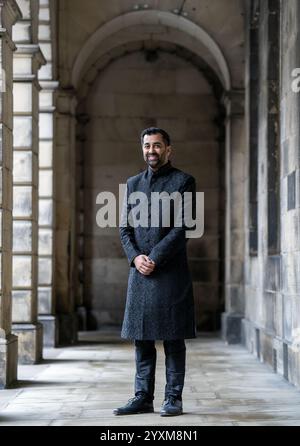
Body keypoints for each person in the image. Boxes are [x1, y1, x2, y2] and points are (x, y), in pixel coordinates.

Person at [114, 127, 196, 417]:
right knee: (142, 337)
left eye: (157, 145)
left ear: (168, 149)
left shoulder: (184, 182)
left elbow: (183, 227)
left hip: (170, 271)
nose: (152, 150)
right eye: (147, 145)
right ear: (143, 149)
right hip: (140, 272)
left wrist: (155, 258)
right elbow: (124, 228)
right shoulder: (133, 184)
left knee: (173, 338)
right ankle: (142, 397)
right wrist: (136, 258)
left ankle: (173, 399)